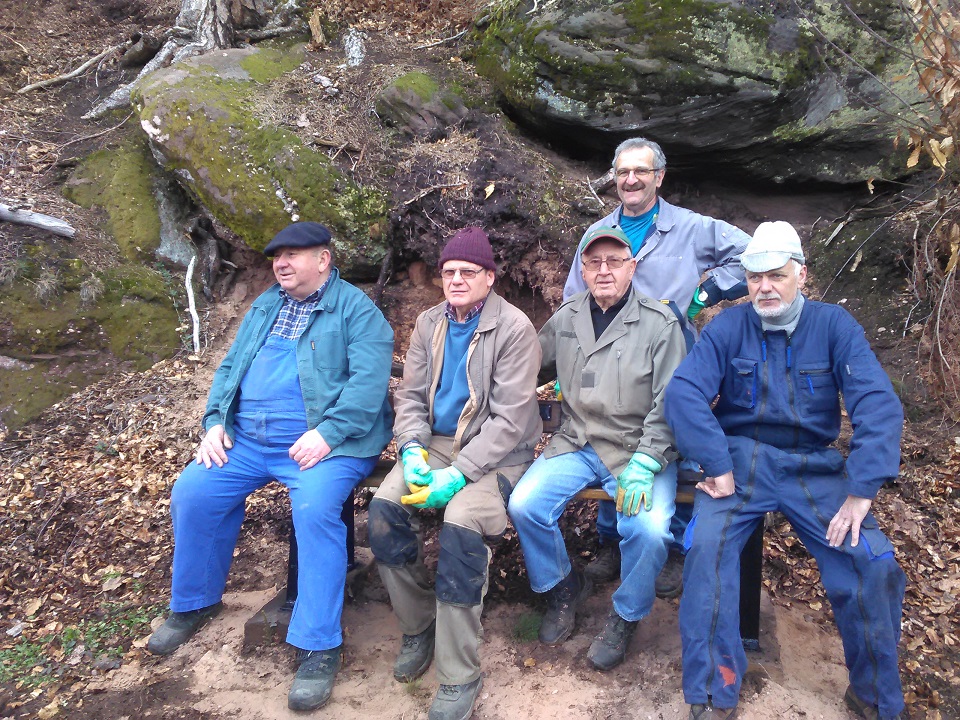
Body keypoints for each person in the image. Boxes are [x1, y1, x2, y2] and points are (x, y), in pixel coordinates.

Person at [147, 222, 394, 713]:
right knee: (194, 494)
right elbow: (229, 368)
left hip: (328, 443)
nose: (281, 263)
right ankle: (195, 601)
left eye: (293, 254)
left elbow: (369, 385)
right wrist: (215, 421)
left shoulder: (356, 311)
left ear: (323, 259)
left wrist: (327, 433)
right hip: (248, 442)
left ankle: (319, 644)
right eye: (276, 255)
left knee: (315, 510)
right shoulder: (265, 306)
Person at [664, 222, 906, 720]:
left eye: (775, 275)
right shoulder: (729, 327)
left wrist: (862, 489)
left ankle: (873, 695)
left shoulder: (834, 326)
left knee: (871, 562)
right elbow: (684, 392)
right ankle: (713, 690)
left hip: (814, 467)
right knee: (706, 552)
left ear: (802, 275)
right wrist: (716, 463)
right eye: (754, 277)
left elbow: (877, 404)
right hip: (740, 461)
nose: (764, 287)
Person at [368, 227, 542, 720]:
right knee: (383, 513)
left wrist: (460, 474)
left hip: (498, 455)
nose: (457, 280)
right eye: (449, 272)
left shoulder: (513, 328)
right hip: (438, 447)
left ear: (490, 277)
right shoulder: (429, 323)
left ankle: (459, 673)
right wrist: (412, 450)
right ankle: (420, 625)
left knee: (462, 528)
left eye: (469, 272)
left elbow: (510, 421)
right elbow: (411, 394)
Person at [564, 137, 750, 597]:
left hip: (674, 362)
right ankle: (613, 541)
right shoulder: (599, 232)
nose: (631, 179)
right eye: (623, 171)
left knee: (675, 446)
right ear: (615, 176)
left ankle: (673, 547)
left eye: (641, 172)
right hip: (610, 365)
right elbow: (573, 297)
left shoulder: (690, 228)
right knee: (613, 438)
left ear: (658, 177)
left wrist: (706, 295)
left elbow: (754, 252)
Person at [509, 226, 687, 671]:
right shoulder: (568, 317)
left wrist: (647, 462)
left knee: (648, 530)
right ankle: (562, 589)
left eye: (614, 261)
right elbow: (525, 367)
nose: (603, 270)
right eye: (594, 263)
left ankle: (626, 616)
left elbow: (675, 399)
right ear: (583, 270)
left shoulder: (660, 323)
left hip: (637, 450)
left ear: (632, 267)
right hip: (578, 440)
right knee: (525, 504)